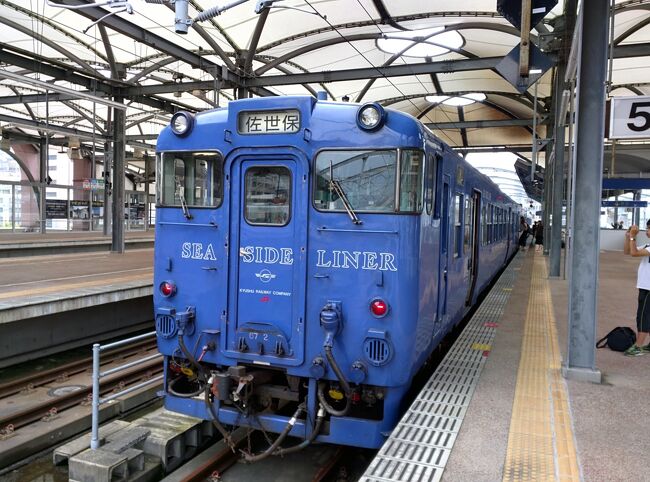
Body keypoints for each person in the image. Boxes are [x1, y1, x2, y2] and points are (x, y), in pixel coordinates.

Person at [624, 221, 650, 356]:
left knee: (643, 316)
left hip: (648, 288)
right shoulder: (648, 245)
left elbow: (634, 253)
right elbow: (628, 251)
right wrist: (628, 237)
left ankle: (638, 347)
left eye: (649, 229)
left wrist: (633, 237)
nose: (647, 231)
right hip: (645, 286)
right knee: (647, 316)